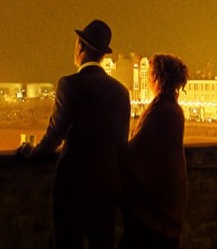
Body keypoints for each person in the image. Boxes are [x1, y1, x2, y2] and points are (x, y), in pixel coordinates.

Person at [17, 19, 131, 249]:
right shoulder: (121, 92)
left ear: (80, 47)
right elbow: (121, 144)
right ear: (103, 55)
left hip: (74, 187)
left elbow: (55, 134)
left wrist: (32, 153)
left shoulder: (69, 85)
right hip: (108, 187)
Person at [119, 53, 189, 249]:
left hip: (156, 212)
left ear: (156, 77)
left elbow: (136, 151)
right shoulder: (172, 108)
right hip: (168, 206)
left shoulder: (162, 111)